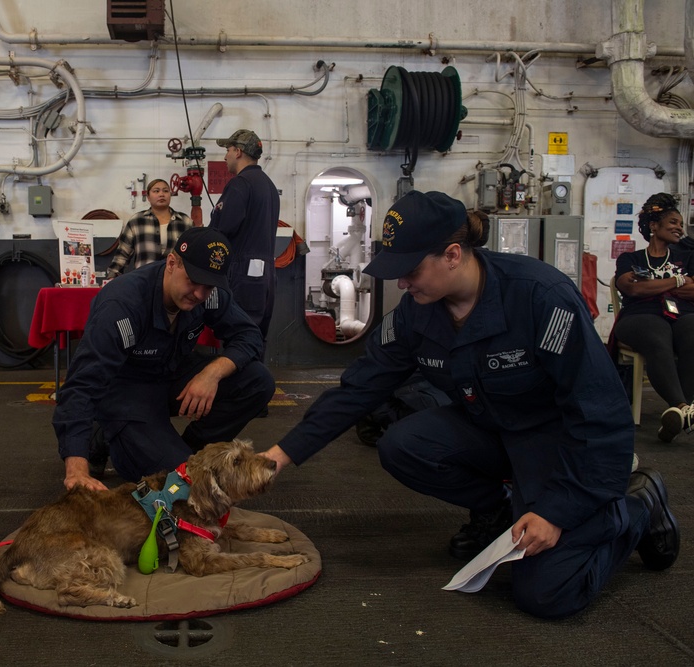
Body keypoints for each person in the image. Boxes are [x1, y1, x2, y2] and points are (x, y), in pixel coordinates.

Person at [261, 190, 679, 619]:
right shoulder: (416, 313)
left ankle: (635, 509)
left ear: (453, 255)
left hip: (555, 444)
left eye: (410, 270)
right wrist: (277, 458)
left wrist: (555, 511)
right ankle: (498, 509)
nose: (402, 283)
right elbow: (358, 389)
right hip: (492, 430)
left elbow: (600, 417)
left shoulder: (541, 297)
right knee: (403, 445)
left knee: (548, 593)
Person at [54, 226, 275, 490]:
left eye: (209, 285)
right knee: (177, 485)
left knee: (257, 381)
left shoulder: (208, 294)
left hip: (171, 374)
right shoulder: (122, 306)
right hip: (127, 392)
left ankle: (189, 454)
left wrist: (212, 374)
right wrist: (77, 469)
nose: (200, 294)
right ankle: (101, 436)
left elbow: (249, 335)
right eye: (194, 281)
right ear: (172, 263)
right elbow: (80, 387)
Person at [613, 192, 694, 443]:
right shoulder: (631, 258)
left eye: (680, 224)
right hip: (640, 315)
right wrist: (678, 280)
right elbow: (633, 289)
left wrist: (654, 283)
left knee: (692, 331)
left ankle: (680, 414)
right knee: (657, 334)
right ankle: (682, 408)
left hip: (682, 314)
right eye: (673, 222)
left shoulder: (688, 256)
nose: (678, 228)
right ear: (654, 226)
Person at [210, 129, 280, 341]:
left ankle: (239, 375)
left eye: (228, 150)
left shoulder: (241, 184)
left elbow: (222, 230)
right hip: (266, 275)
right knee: (255, 337)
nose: (225, 156)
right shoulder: (269, 185)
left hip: (243, 273)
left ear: (238, 151)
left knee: (238, 337)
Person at [105, 178, 193, 279]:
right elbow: (122, 254)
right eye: (156, 191)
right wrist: (111, 278)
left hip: (176, 282)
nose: (161, 194)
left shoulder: (185, 222)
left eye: (165, 190)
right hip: (144, 281)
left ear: (170, 195)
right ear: (148, 197)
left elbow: (193, 255)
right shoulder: (137, 221)